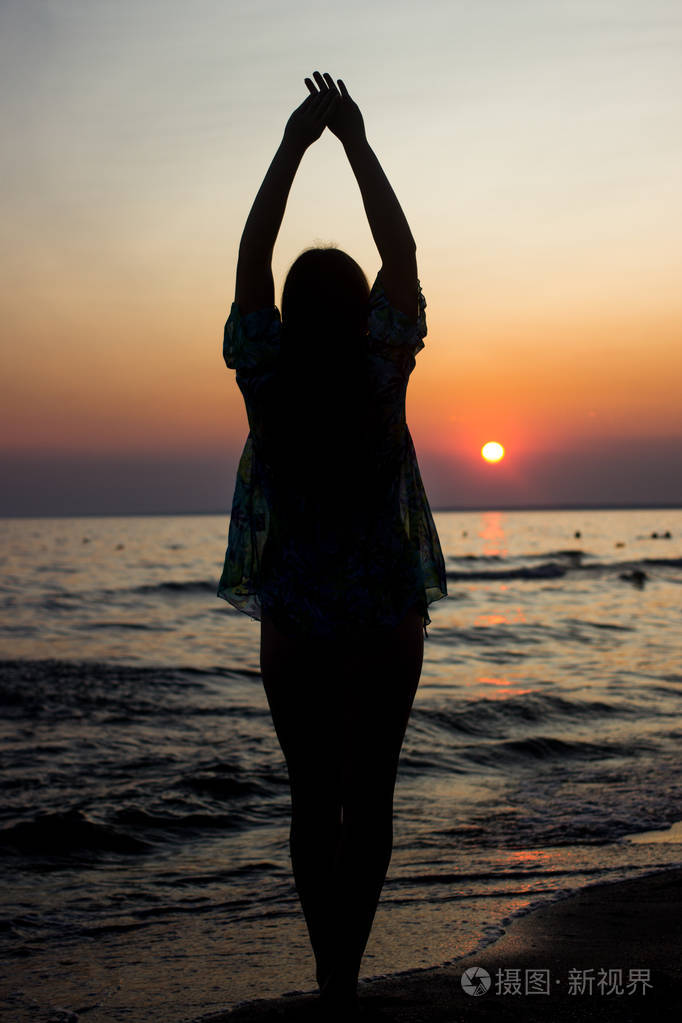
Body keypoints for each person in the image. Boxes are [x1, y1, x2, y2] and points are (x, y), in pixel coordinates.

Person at [217, 71, 447, 1019]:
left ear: (289, 313)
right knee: (375, 795)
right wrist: (352, 142)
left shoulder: (266, 374)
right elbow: (403, 248)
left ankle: (331, 977)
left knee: (314, 801)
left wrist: (292, 144)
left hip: (300, 619)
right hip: (387, 610)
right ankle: (349, 967)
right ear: (360, 309)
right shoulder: (382, 363)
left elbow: (251, 255)